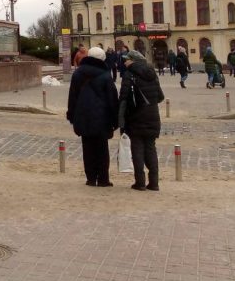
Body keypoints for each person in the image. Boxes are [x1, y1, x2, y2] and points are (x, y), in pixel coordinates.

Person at [66, 46, 118, 187]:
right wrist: (115, 119)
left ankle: (90, 178)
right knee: (102, 149)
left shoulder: (78, 74)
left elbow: (73, 97)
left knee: (87, 148)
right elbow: (112, 99)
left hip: (83, 116)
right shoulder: (105, 75)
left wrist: (72, 115)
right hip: (102, 118)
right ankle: (103, 179)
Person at [118, 49, 165, 191]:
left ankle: (140, 182)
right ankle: (154, 183)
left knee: (137, 148)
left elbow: (123, 99)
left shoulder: (129, 75)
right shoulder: (151, 72)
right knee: (151, 148)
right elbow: (160, 97)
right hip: (152, 116)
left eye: (127, 59)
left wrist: (121, 122)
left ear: (133, 60)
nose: (125, 62)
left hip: (135, 117)